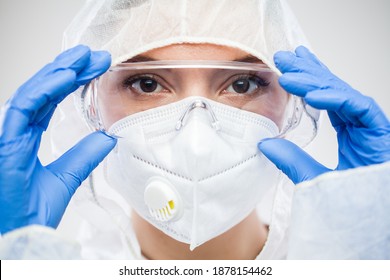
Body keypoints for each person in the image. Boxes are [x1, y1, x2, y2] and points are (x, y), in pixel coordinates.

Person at [0, 0, 389, 260]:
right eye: (147, 83)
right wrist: (16, 253)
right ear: (89, 105)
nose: (197, 139)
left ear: (294, 103)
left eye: (242, 84)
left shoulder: (343, 259)